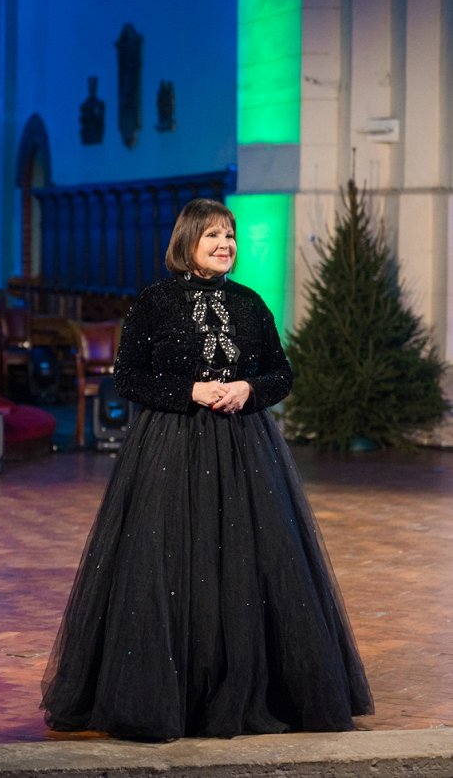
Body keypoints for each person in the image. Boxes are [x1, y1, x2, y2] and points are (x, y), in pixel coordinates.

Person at [40, 198, 373, 740]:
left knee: (248, 563)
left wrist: (248, 388)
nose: (225, 245)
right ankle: (174, 696)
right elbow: (129, 378)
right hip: (171, 447)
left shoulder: (249, 303)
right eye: (213, 235)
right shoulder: (155, 301)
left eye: (230, 236)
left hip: (246, 450)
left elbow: (281, 373)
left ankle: (250, 689)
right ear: (187, 241)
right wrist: (189, 390)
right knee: (170, 561)